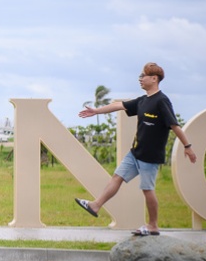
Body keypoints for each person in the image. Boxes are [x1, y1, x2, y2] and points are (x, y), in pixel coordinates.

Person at [74, 62, 197, 236]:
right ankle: (95, 205)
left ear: (154, 79)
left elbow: (174, 125)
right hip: (135, 152)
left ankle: (153, 225)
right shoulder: (143, 101)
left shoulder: (162, 101)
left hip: (150, 156)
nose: (140, 79)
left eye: (143, 76)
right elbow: (119, 105)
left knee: (147, 189)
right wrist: (96, 111)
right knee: (117, 177)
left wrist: (188, 146)